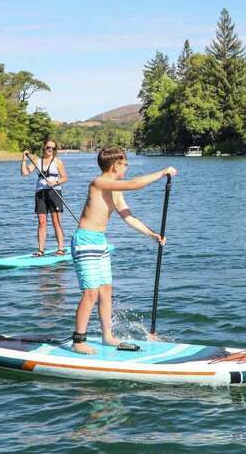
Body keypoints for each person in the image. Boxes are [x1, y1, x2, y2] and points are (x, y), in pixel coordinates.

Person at [70, 146, 176, 355]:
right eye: (125, 164)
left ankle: (107, 336)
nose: (127, 167)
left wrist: (152, 234)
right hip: (85, 241)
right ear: (116, 165)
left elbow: (128, 216)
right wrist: (162, 172)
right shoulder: (98, 183)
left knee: (106, 291)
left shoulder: (115, 190)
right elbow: (134, 184)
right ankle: (78, 340)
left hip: (100, 241)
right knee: (90, 293)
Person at [22, 138, 68, 256]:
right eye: (48, 147)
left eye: (53, 148)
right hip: (40, 193)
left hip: (54, 192)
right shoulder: (37, 161)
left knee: (56, 221)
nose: (50, 150)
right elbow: (24, 172)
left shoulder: (57, 161)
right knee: (41, 222)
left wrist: (55, 182)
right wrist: (23, 160)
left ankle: (61, 248)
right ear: (44, 147)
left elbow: (64, 178)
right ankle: (41, 250)